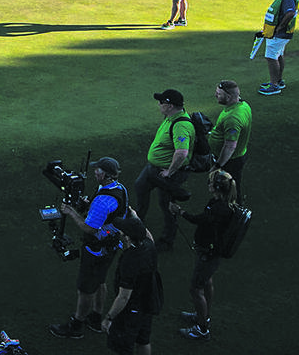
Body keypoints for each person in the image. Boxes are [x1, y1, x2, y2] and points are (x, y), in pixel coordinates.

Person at [49, 157, 129, 339]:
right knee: (100, 281)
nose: (95, 172)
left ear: (107, 175)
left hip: (96, 250)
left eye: (98, 170)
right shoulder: (119, 188)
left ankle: (76, 326)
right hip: (111, 246)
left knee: (85, 289)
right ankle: (95, 317)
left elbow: (89, 228)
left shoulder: (103, 200)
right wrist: (88, 204)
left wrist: (71, 212)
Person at [168, 170, 237, 341]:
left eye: (211, 182)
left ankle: (202, 329)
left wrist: (180, 212)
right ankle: (202, 315)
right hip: (210, 252)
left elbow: (200, 219)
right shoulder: (220, 202)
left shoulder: (219, 208)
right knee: (207, 282)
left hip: (209, 253)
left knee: (195, 288)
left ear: (217, 187)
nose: (208, 184)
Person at [133, 89, 193, 251]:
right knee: (140, 186)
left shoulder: (180, 125)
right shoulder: (170, 117)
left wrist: (170, 172)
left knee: (167, 205)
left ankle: (167, 241)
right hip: (153, 168)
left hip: (168, 173)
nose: (159, 105)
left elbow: (182, 153)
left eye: (161, 102)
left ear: (170, 105)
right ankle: (137, 222)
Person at [101, 217, 158, 355]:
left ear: (128, 237)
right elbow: (149, 236)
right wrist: (135, 216)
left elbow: (124, 297)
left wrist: (109, 318)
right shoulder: (149, 246)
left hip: (132, 310)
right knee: (143, 340)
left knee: (122, 347)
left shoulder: (130, 260)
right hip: (148, 303)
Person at [207, 80, 251, 196]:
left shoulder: (233, 118)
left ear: (228, 96)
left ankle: (235, 211)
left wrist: (218, 165)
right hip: (235, 157)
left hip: (230, 161)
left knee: (230, 190)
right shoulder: (242, 104)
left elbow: (230, 146)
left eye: (219, 94)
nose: (215, 95)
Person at [257, 0, 298, 95]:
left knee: (271, 57)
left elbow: (290, 13)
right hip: (279, 32)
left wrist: (280, 27)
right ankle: (278, 81)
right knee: (278, 55)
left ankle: (274, 85)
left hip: (279, 33)